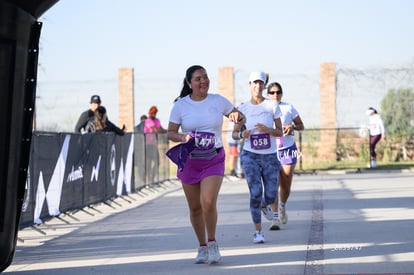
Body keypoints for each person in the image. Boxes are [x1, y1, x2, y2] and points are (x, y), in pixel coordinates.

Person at [166, 65, 245, 264]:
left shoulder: (218, 101)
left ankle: (212, 243)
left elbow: (241, 117)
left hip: (214, 158)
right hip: (190, 161)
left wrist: (236, 118)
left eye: (206, 77)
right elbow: (170, 133)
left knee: (208, 202)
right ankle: (201, 246)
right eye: (198, 79)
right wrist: (184, 136)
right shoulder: (180, 106)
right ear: (189, 83)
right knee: (194, 208)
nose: (203, 82)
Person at [232, 72, 283, 243]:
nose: (257, 86)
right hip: (249, 155)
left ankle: (264, 203)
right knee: (254, 193)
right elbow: (234, 134)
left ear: (264, 86)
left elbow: (280, 131)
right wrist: (242, 134)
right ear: (249, 85)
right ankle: (258, 232)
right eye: (254, 83)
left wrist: (268, 130)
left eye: (261, 83)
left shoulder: (272, 106)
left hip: (269, 155)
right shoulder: (243, 108)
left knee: (270, 195)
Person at [266, 82, 304, 225]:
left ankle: (282, 207)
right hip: (270, 151)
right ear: (267, 94)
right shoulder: (264, 108)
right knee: (272, 184)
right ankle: (275, 217)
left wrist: (292, 126)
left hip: (288, 149)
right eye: (272, 92)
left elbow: (301, 125)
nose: (276, 95)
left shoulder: (288, 107)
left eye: (278, 92)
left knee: (286, 184)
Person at [144, 106, 166, 183]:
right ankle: (147, 180)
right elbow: (155, 129)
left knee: (157, 162)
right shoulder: (148, 120)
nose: (153, 115)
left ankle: (152, 179)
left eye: (155, 113)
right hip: (148, 144)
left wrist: (169, 131)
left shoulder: (157, 120)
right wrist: (160, 130)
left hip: (154, 144)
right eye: (152, 113)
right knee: (148, 163)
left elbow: (161, 129)